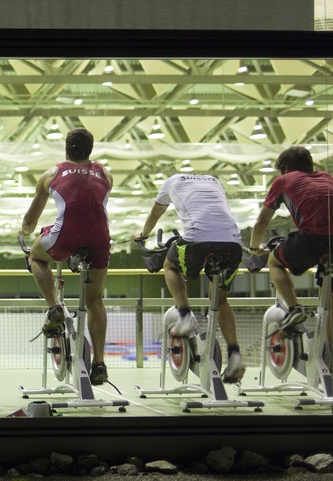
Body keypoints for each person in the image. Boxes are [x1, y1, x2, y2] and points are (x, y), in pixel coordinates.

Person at [19, 128, 112, 385]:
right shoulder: (105, 173)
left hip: (66, 236)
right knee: (95, 300)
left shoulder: (52, 173)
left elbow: (32, 218)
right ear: (90, 149)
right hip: (100, 238)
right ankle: (100, 362)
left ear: (66, 148)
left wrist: (24, 231)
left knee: (35, 257)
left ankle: (54, 307)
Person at [132, 173, 246, 383]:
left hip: (197, 240)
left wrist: (143, 234)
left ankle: (184, 315)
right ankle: (234, 354)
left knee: (170, 265)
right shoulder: (214, 181)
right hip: (232, 243)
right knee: (220, 300)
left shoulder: (171, 181)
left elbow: (155, 213)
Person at [249, 145, 333, 343]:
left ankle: (295, 309)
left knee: (274, 261)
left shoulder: (284, 180)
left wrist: (254, 249)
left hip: (312, 237)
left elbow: (262, 222)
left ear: (284, 168)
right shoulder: (328, 177)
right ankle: (330, 360)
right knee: (329, 302)